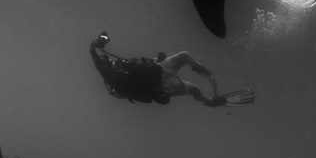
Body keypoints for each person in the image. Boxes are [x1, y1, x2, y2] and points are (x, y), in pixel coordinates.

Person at [89, 32, 254, 107]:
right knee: (194, 89)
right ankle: (211, 102)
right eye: (106, 62)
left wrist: (156, 60)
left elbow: (141, 66)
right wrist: (92, 48)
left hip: (161, 67)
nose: (109, 61)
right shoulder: (112, 78)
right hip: (162, 85)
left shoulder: (120, 65)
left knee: (184, 55)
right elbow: (97, 63)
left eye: (108, 59)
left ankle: (201, 70)